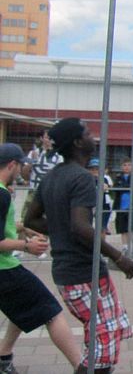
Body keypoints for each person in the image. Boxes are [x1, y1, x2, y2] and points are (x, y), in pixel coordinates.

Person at [24, 118, 133, 374]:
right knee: (101, 352)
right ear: (77, 142)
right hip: (84, 273)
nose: (93, 136)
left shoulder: (52, 177)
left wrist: (59, 229)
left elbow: (32, 219)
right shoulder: (82, 179)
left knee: (103, 340)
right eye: (87, 132)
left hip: (69, 272)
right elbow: (81, 227)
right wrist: (119, 257)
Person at [0, 143, 81, 373]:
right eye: (24, 166)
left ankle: (4, 355)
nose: (25, 171)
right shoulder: (2, 195)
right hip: (4, 269)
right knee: (50, 311)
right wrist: (26, 245)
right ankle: (81, 366)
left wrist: (21, 229)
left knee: (23, 307)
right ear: (12, 165)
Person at [20, 129, 64, 220]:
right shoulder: (33, 153)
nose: (50, 140)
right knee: (25, 219)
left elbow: (62, 176)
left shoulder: (59, 156)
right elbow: (24, 175)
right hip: (34, 190)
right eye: (47, 137)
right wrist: (32, 161)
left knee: (50, 220)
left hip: (50, 193)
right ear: (41, 138)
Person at [112, 157, 133, 255]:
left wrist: (123, 187)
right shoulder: (118, 177)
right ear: (121, 167)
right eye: (124, 165)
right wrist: (124, 187)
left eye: (129, 165)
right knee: (122, 227)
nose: (127, 167)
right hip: (121, 206)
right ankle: (125, 246)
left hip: (132, 206)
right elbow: (116, 188)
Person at [85, 158, 113, 236]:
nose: (95, 171)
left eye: (97, 169)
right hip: (90, 205)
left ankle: (101, 246)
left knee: (102, 228)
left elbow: (106, 187)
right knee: (87, 227)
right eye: (92, 169)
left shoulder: (104, 179)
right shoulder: (86, 179)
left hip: (103, 204)